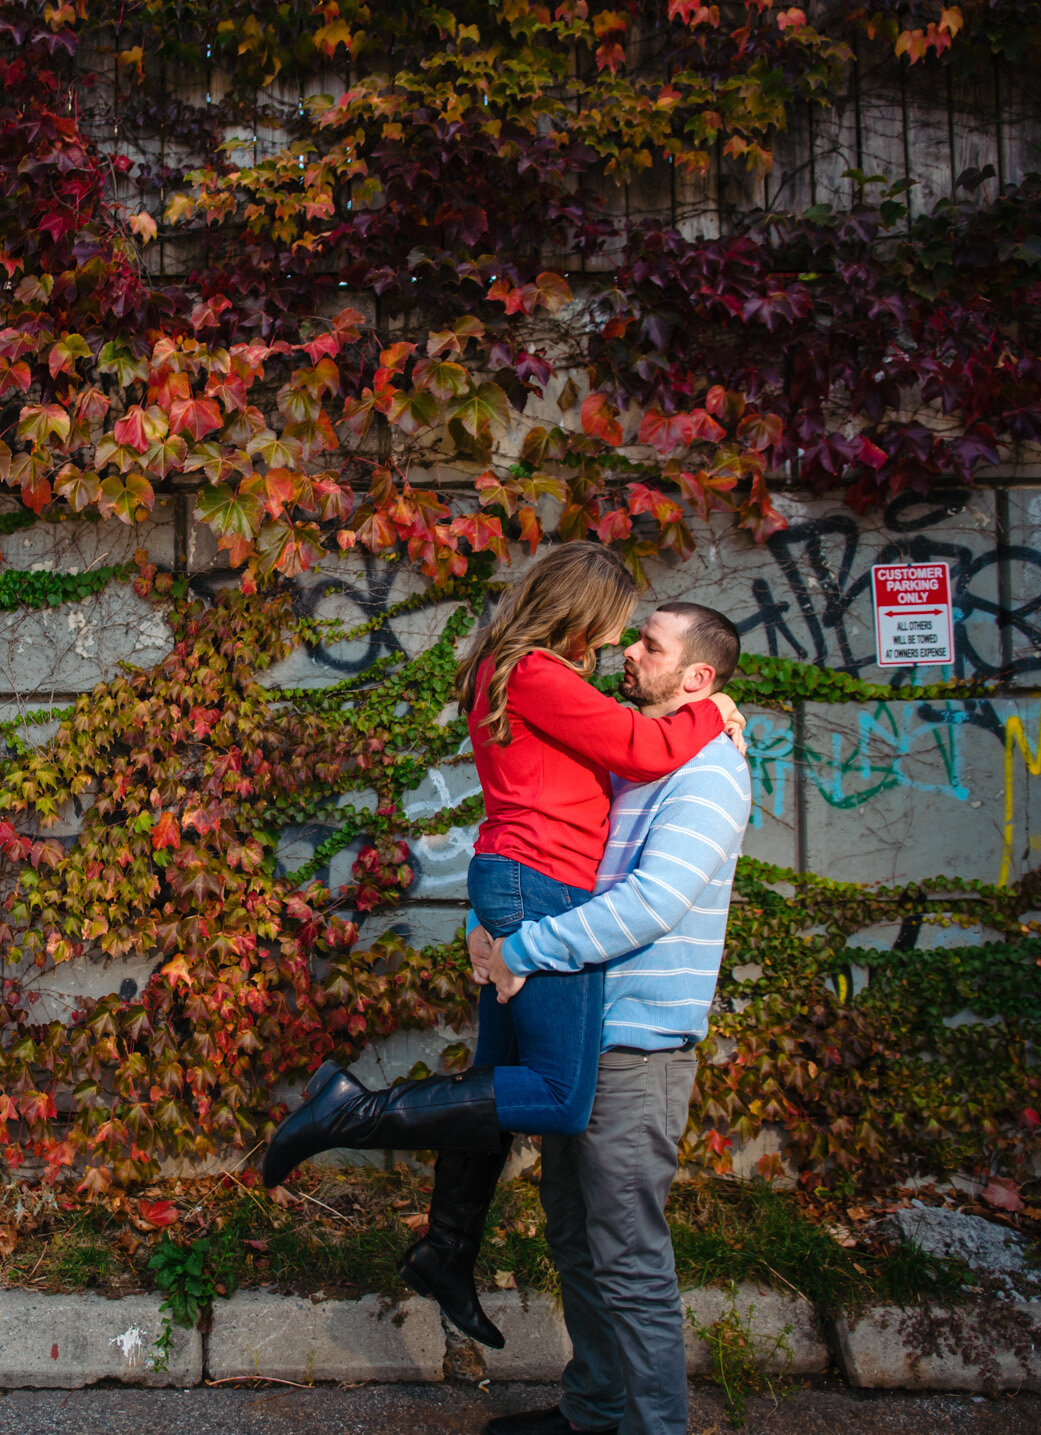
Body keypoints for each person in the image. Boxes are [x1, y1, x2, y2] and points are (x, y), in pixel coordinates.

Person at [259, 546, 744, 1353]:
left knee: (495, 1082)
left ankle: (446, 1250)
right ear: (578, 608)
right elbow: (640, 747)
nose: (613, 646)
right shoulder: (538, 673)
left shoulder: (523, 670)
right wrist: (712, 711)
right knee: (558, 1095)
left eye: (636, 639)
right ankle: (350, 1111)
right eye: (612, 626)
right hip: (538, 882)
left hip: (525, 882)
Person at [469, 601, 753, 1435]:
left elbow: (651, 904)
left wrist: (523, 951)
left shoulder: (711, 773)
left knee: (628, 1260)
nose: (627, 652)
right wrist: (496, 928)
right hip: (580, 1029)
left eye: (650, 645)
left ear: (697, 677)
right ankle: (593, 1411)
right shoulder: (634, 761)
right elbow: (562, 865)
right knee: (576, 1241)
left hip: (638, 1042)